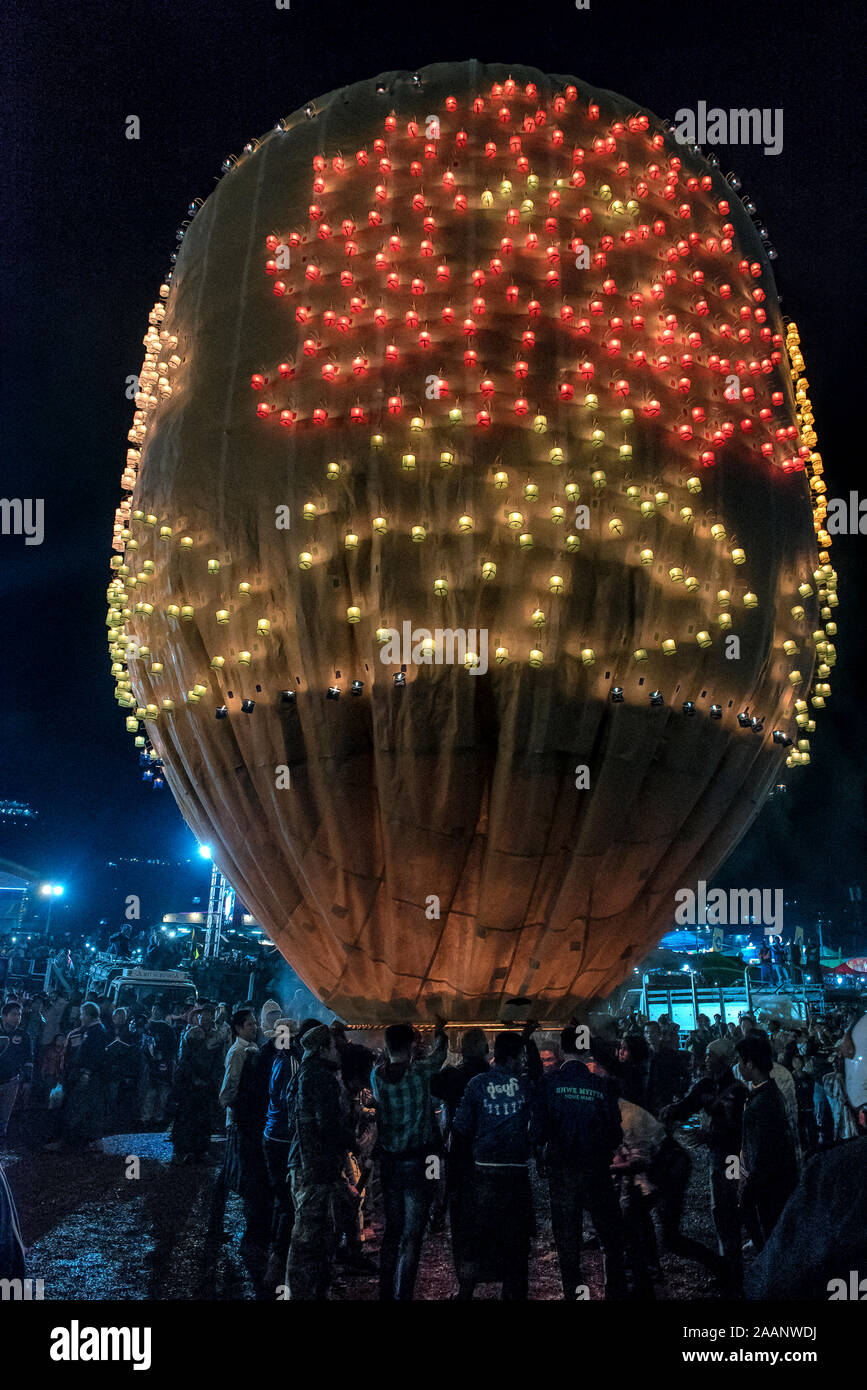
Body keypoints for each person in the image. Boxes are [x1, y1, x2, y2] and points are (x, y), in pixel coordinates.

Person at [533, 1024, 627, 1300]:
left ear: (561, 1050)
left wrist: (546, 1154)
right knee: (609, 1235)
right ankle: (615, 1291)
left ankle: (574, 1294)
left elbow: (537, 1131)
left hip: (563, 1169)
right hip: (597, 1167)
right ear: (584, 1048)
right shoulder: (600, 1084)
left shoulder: (549, 1083)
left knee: (568, 1239)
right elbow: (615, 1131)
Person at [452, 1025, 541, 1301]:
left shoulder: (476, 1084)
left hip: (484, 1175)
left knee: (478, 1239)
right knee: (516, 1242)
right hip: (516, 1177)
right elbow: (538, 1120)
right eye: (521, 1058)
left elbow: (461, 1129)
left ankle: (466, 1293)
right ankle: (513, 1295)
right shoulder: (526, 1086)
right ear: (514, 1058)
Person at [662, 1038, 748, 1294]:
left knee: (727, 1210)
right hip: (717, 1156)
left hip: (732, 1156)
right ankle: (730, 1269)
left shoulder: (737, 1092)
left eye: (711, 1055)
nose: (706, 1058)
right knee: (721, 1211)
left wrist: (707, 1136)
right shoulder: (707, 1085)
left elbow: (737, 1131)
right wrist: (670, 1111)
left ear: (722, 1059)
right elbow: (687, 1106)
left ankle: (733, 1273)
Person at [371, 1018, 448, 1300]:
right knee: (413, 1235)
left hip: (391, 1163)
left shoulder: (375, 1076)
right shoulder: (420, 1072)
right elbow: (440, 1055)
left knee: (393, 1230)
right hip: (418, 1162)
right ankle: (403, 1294)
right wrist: (441, 1029)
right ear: (411, 1045)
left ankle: (385, 1293)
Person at [285, 1023, 354, 1300]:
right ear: (325, 1047)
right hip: (315, 1167)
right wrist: (352, 1139)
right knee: (308, 1239)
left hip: (302, 1163)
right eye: (334, 1046)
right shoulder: (320, 1077)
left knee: (319, 1234)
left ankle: (315, 1290)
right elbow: (328, 1126)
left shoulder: (300, 1074)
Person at [430, 1026, 490, 1283]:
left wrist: (438, 1040)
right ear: (486, 1049)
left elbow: (432, 1082)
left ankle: (466, 1278)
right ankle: (489, 1269)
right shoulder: (493, 1076)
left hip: (461, 1154)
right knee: (488, 1214)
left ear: (461, 1050)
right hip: (488, 1154)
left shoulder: (452, 1076)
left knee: (462, 1218)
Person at [215, 1007, 271, 1272]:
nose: (255, 1027)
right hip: (238, 1122)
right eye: (249, 1024)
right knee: (234, 1173)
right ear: (238, 1028)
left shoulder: (251, 1050)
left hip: (241, 1120)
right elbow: (228, 1089)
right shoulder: (239, 1052)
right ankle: (220, 1226)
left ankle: (216, 1224)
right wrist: (236, 1113)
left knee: (230, 1173)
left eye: (256, 1024)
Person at [735, 1032, 798, 1251]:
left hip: (769, 1182)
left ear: (750, 1064)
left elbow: (762, 1149)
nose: (738, 1067)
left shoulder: (762, 1102)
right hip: (775, 1178)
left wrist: (749, 1186)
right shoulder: (768, 1093)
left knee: (770, 1234)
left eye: (740, 1062)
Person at [61, 1002, 109, 1152]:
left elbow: (94, 1056)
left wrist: (86, 1072)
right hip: (91, 1075)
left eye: (82, 1014)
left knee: (77, 1106)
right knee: (90, 1108)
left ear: (88, 1015)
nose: (81, 1017)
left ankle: (70, 1141)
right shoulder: (96, 1030)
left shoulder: (95, 1031)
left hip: (88, 1075)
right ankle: (92, 1141)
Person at [167, 1026, 214, 1163]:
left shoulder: (188, 1060)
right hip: (192, 1098)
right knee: (193, 1124)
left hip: (192, 1098)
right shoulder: (199, 1058)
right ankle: (192, 1151)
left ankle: (192, 1151)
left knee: (190, 1124)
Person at [0, 1001, 34, 1147]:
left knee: (5, 1114)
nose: (17, 1018)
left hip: (11, 1081)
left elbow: (28, 1058)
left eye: (19, 1015)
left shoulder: (24, 1035)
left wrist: (27, 1080)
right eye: (14, 1014)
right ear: (3, 1016)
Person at [141, 1004, 175, 1127]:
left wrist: (164, 1058)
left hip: (163, 1063)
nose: (154, 1011)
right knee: (151, 1091)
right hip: (151, 1064)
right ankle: (148, 1116)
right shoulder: (148, 1026)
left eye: (157, 1009)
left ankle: (157, 1117)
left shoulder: (167, 1029)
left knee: (162, 1092)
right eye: (153, 1009)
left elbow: (172, 1047)